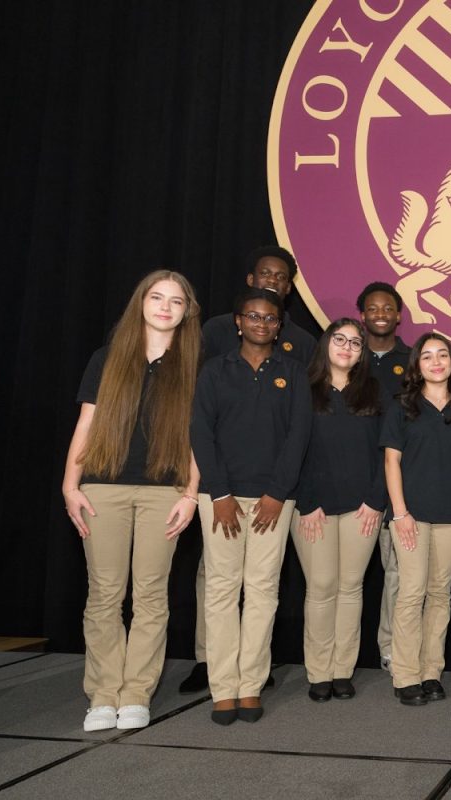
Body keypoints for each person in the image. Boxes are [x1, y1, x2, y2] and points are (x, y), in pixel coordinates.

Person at [62, 270, 202, 732]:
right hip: (104, 488)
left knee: (150, 596)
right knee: (104, 594)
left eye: (176, 301)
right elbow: (87, 424)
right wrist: (70, 485)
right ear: (140, 302)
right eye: (157, 297)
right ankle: (103, 694)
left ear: (186, 313)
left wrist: (190, 493)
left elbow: (201, 438)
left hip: (165, 490)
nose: (165, 306)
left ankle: (136, 693)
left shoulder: (195, 366)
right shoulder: (107, 359)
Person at [180, 245, 315, 694]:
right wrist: (215, 492)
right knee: (218, 585)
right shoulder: (215, 350)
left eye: (270, 317)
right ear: (240, 319)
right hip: (220, 491)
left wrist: (280, 491)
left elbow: (299, 433)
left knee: (262, 589)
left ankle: (252, 677)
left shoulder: (298, 358)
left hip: (273, 494)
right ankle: (216, 673)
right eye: (253, 316)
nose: (262, 321)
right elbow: (202, 427)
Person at [291, 319, 386, 703]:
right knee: (321, 587)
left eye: (355, 343)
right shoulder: (303, 389)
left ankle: (342, 670)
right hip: (313, 507)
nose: (347, 347)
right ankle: (318, 671)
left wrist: (375, 501)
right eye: (340, 340)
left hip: (362, 508)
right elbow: (292, 450)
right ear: (326, 344)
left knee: (351, 588)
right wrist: (307, 501)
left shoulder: (373, 392)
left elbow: (388, 452)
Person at [382, 333, 451, 705]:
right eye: (427, 357)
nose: (436, 362)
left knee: (440, 594)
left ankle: (430, 672)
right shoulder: (403, 406)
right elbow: (392, 462)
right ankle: (405, 675)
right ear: (416, 367)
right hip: (412, 515)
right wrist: (400, 512)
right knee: (411, 592)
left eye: (442, 355)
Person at [356, 281, 411, 675]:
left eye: (387, 308)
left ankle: (390, 649)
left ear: (398, 315)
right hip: (351, 487)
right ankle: (340, 659)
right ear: (362, 315)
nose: (380, 313)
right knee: (345, 580)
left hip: (396, 487)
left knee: (397, 575)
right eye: (372, 308)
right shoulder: (345, 356)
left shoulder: (411, 361)